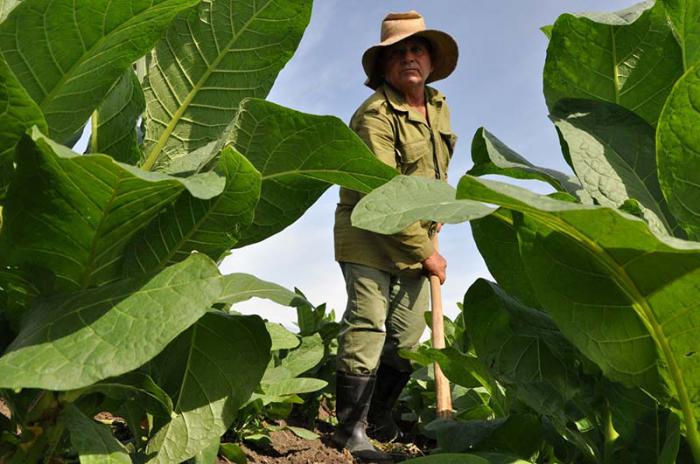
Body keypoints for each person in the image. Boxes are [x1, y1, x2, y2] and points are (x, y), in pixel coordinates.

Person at [332, 10, 459, 462]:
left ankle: (380, 419)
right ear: (384, 66)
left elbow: (434, 169)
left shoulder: (439, 107)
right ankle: (349, 431)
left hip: (414, 236)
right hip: (369, 232)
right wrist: (428, 252)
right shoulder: (374, 116)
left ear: (430, 59)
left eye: (417, 48)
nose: (409, 56)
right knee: (368, 323)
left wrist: (439, 210)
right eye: (398, 51)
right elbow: (385, 193)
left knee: (407, 337)